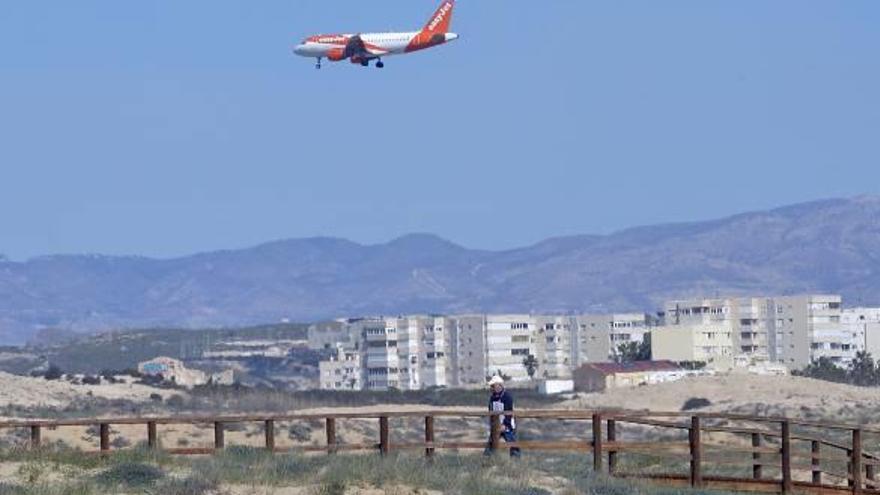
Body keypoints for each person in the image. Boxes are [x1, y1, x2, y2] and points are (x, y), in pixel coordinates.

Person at [483, 375, 521, 457]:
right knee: (491, 443)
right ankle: (487, 459)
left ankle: (516, 461)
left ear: (499, 385)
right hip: (496, 425)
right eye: (491, 386)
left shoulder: (507, 397)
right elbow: (491, 412)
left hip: (507, 425)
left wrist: (505, 424)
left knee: (512, 443)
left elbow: (509, 412)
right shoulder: (492, 398)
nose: (491, 387)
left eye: (493, 385)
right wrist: (492, 424)